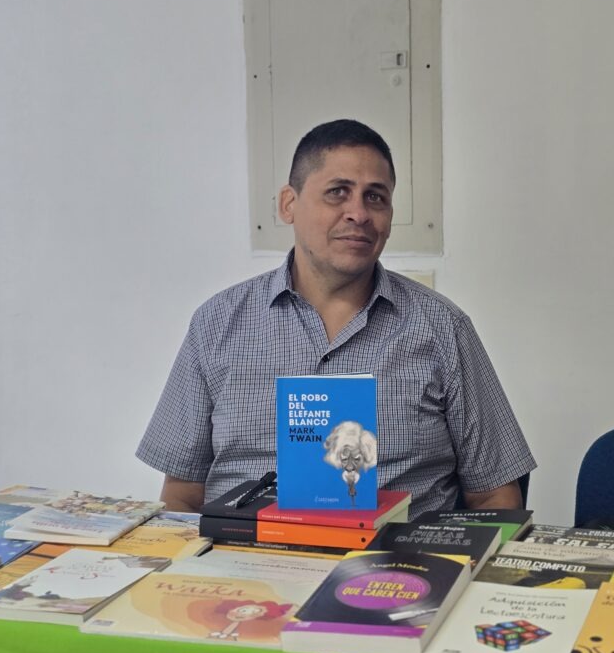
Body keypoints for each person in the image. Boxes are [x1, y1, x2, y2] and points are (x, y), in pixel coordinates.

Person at [136, 119, 536, 517]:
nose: (358, 213)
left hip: (396, 555)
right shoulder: (216, 323)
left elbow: (495, 497)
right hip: (245, 551)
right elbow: (182, 496)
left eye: (375, 197)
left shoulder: (443, 328)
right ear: (289, 204)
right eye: (337, 192)